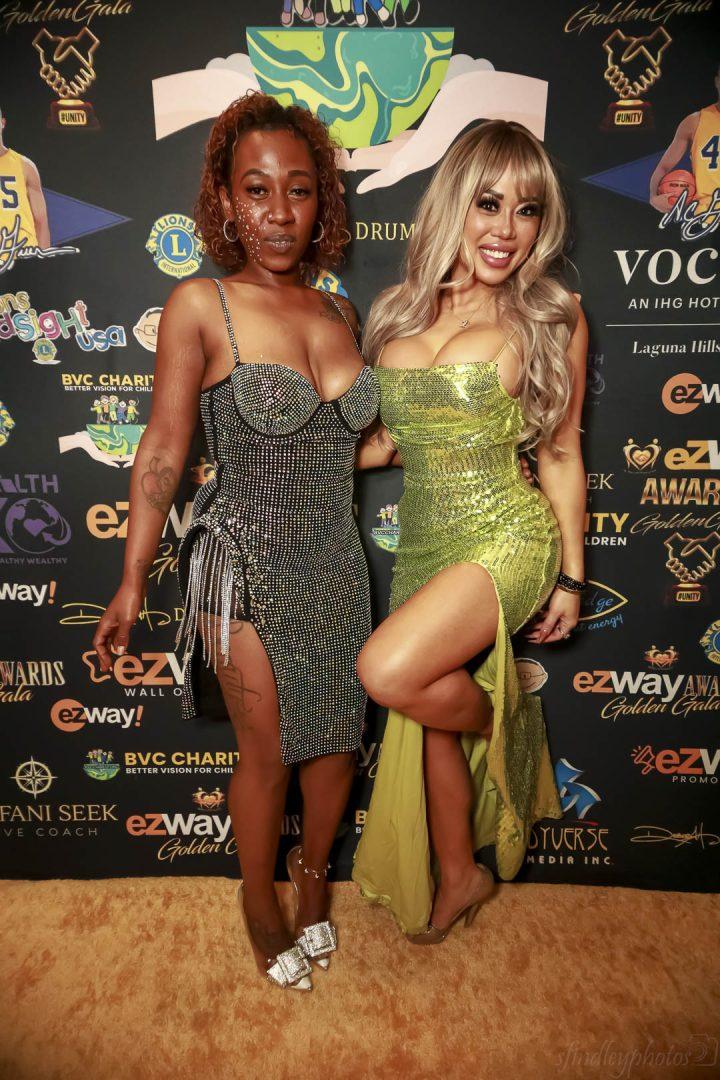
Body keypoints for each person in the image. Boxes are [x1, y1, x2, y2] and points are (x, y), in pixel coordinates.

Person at [92, 93, 379, 990]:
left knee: (337, 746)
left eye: (298, 189)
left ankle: (313, 880)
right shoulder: (200, 304)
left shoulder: (340, 312)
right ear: (224, 199)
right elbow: (164, 448)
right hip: (243, 563)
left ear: (321, 200)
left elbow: (357, 444)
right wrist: (132, 578)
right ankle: (258, 902)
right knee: (270, 753)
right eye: (256, 189)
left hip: (337, 560)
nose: (278, 211)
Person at [352, 119, 588, 940]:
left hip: (506, 536)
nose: (506, 229)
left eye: (527, 210)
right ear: (455, 201)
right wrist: (281, 458)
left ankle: (505, 724)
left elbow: (561, 453)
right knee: (424, 724)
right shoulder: (395, 316)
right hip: (425, 541)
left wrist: (572, 574)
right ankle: (460, 875)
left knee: (386, 670)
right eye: (489, 203)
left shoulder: (551, 317)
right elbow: (387, 444)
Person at [649, 63, 720, 214]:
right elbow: (664, 167)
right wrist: (653, 196)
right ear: (717, 81)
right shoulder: (695, 121)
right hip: (706, 215)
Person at [0, 105, 51, 249]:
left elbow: (41, 221)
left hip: (21, 254)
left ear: (2, 123)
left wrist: (43, 260)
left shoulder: (25, 166)